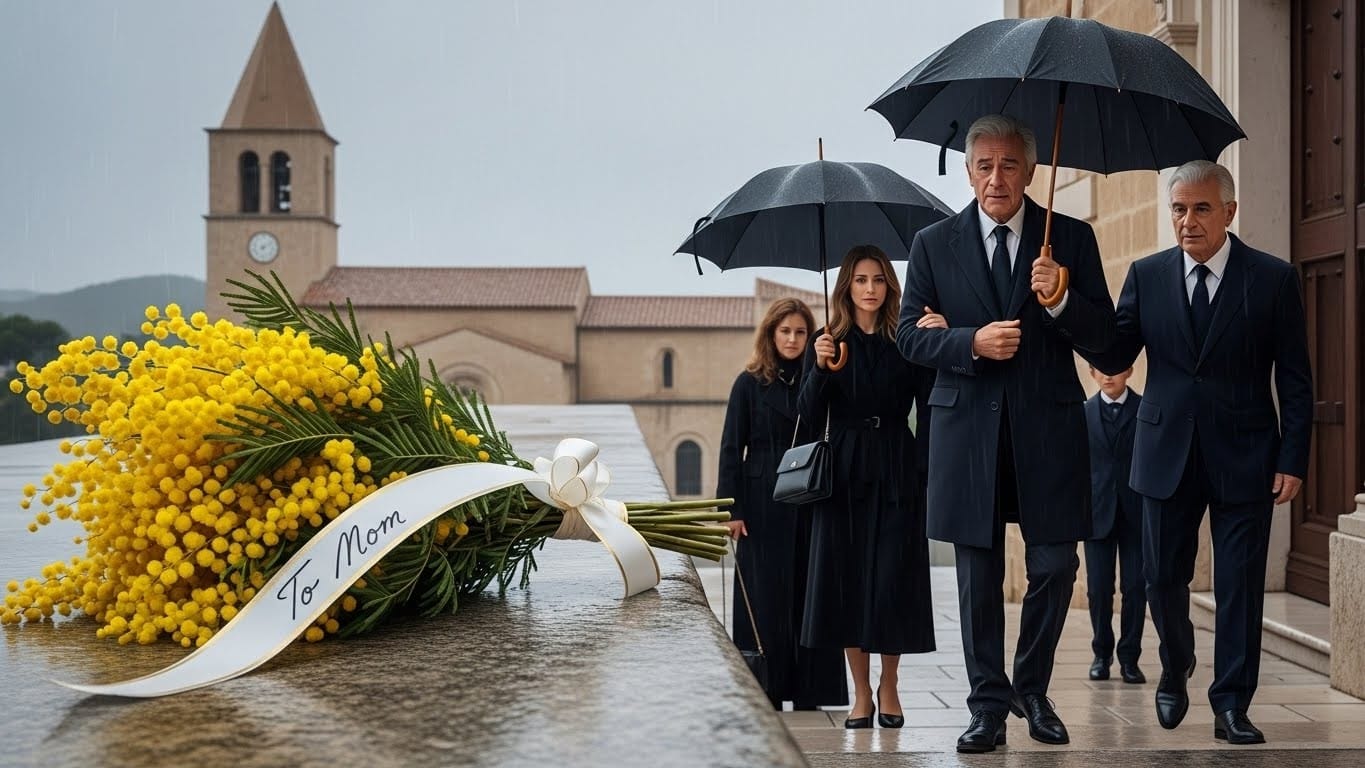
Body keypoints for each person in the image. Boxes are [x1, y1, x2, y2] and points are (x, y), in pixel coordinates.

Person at [896, 114, 1116, 753]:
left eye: (1008, 165)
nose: (996, 178)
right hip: (967, 434)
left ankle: (1032, 687)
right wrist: (970, 342)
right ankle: (987, 706)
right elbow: (910, 335)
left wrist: (1060, 303)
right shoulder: (934, 243)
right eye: (984, 166)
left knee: (1056, 564)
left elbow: (1107, 341)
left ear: (1030, 170)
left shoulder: (1070, 239)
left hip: (1048, 431)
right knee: (978, 577)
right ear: (968, 173)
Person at [1089, 160, 1312, 745]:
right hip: (1162, 452)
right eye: (1179, 209)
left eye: (1201, 208)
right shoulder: (1147, 274)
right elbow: (1114, 351)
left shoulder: (1272, 279)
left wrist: (1293, 457)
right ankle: (1176, 660)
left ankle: (1232, 703)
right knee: (1160, 577)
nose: (1187, 221)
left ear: (1229, 212)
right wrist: (1064, 304)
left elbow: (1295, 379)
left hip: (1248, 456)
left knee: (1240, 585)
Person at [799, 244, 936, 730]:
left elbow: (931, 403)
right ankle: (860, 692)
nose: (871, 289)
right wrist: (817, 367)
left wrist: (939, 340)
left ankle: (890, 685)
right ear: (846, 287)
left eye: (878, 280)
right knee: (849, 582)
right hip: (845, 471)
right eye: (861, 280)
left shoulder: (908, 338)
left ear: (890, 286)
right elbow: (810, 416)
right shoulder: (829, 341)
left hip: (898, 464)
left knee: (892, 581)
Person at [716, 297, 847, 711]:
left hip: (809, 497)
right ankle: (764, 689)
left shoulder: (821, 377)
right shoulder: (748, 382)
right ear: (771, 334)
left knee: (809, 593)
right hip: (760, 504)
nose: (792, 339)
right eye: (784, 331)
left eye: (800, 332)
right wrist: (732, 512)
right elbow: (730, 448)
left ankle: (811, 690)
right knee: (765, 596)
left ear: (811, 337)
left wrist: (824, 370)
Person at [1082, 364, 1147, 685]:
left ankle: (1130, 658)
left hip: (1136, 516)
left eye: (1116, 369)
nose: (1109, 376)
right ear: (1093, 373)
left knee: (1135, 588)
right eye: (1101, 370)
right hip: (1096, 515)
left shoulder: (1145, 410)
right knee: (1098, 590)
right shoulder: (1083, 413)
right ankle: (1101, 654)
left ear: (1130, 371)